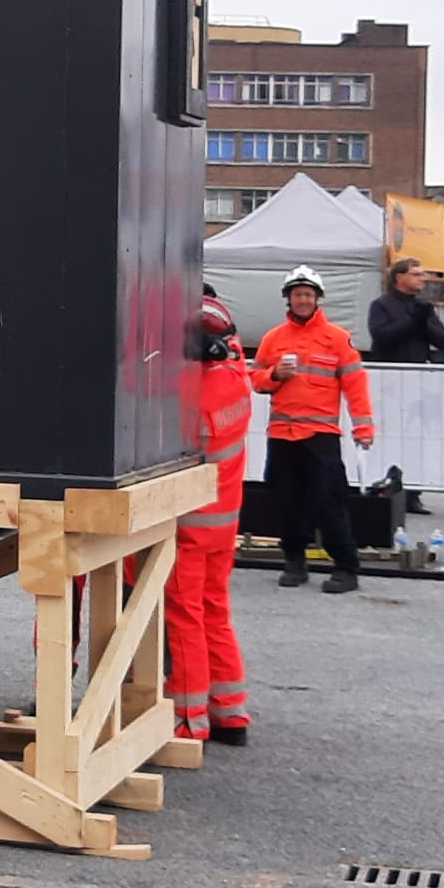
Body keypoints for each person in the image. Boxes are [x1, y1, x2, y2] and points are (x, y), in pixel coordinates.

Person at [252, 265, 374, 594]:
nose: (303, 300)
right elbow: (256, 381)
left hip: (321, 437)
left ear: (318, 299)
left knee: (327, 501)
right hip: (282, 436)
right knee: (286, 502)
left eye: (308, 294)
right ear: (288, 299)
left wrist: (363, 427)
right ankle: (294, 561)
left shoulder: (336, 339)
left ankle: (346, 567)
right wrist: (275, 374)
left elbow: (355, 386)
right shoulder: (273, 339)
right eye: (297, 295)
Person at [170, 293, 251, 746]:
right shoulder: (236, 375)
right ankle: (230, 712)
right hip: (225, 522)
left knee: (184, 617)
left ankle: (189, 716)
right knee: (216, 612)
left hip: (192, 525)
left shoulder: (192, 395)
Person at [367, 256, 444, 516]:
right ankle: (382, 485)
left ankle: (413, 493)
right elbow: (382, 336)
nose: (421, 278)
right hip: (390, 383)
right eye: (416, 274)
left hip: (418, 383)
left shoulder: (423, 308)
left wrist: (423, 321)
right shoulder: (381, 305)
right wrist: (413, 321)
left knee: (415, 440)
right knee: (387, 436)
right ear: (399, 277)